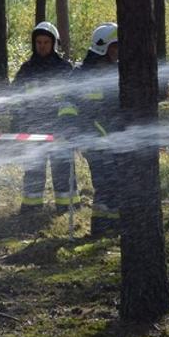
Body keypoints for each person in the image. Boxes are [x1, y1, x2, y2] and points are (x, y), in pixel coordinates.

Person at [14, 22, 77, 213]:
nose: (42, 46)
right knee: (33, 170)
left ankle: (66, 209)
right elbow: (16, 100)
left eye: (46, 42)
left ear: (54, 44)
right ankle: (31, 208)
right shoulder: (26, 70)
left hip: (59, 131)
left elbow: (73, 100)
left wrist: (68, 125)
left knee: (62, 170)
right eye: (39, 42)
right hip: (34, 129)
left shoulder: (64, 69)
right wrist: (17, 123)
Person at [77, 22, 122, 236]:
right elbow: (76, 111)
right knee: (107, 183)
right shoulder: (82, 76)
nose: (119, 51)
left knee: (115, 183)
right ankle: (102, 229)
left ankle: (112, 227)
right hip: (94, 141)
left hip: (111, 140)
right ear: (104, 48)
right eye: (116, 46)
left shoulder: (117, 73)